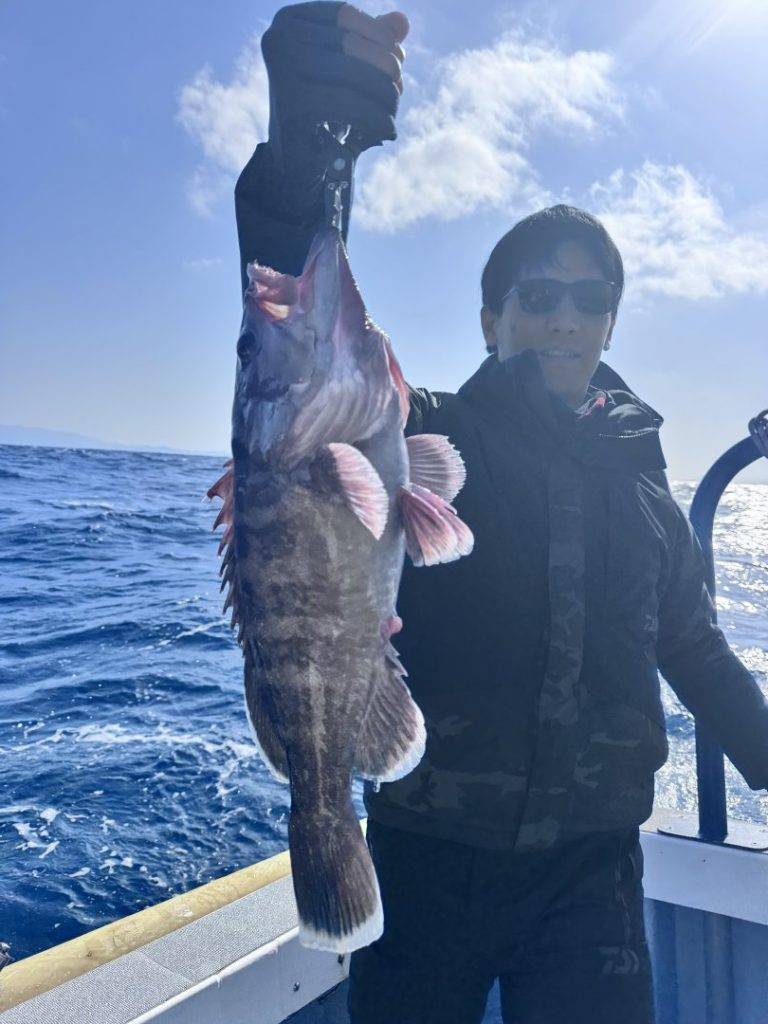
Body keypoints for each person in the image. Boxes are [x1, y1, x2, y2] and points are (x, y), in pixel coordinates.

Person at [234, 4, 768, 1021]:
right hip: (429, 859)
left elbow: (694, 649)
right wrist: (312, 135)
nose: (565, 315)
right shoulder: (419, 430)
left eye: (589, 297)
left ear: (610, 319)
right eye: (537, 295)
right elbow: (290, 329)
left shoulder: (645, 487)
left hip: (592, 879)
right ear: (492, 318)